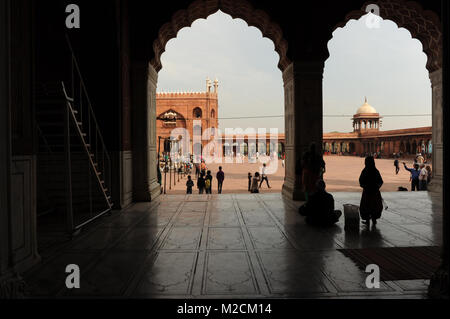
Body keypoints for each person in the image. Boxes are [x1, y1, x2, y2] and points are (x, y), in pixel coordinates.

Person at [359, 156, 384, 227]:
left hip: (367, 192)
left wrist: (364, 186)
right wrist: (376, 187)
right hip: (375, 192)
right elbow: (381, 181)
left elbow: (361, 180)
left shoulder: (365, 171)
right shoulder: (375, 171)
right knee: (375, 206)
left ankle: (367, 220)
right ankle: (374, 219)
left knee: (366, 206)